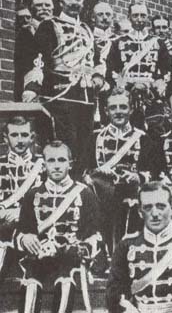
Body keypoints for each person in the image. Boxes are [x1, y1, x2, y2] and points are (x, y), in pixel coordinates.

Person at [22, 0, 102, 174]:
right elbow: (39, 59)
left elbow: (97, 60)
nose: (74, 2)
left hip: (86, 97)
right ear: (61, 1)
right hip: (60, 96)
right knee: (65, 144)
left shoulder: (87, 30)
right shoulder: (49, 26)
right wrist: (32, 88)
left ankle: (79, 182)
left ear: (83, 3)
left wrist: (99, 75)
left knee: (84, 145)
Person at [16, 141, 100, 313]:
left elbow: (95, 235)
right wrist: (25, 238)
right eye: (51, 160)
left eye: (61, 160)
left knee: (66, 281)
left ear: (70, 164)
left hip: (70, 256)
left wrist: (79, 248)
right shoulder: (32, 194)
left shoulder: (85, 194)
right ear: (44, 164)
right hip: (40, 255)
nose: (56, 166)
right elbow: (22, 230)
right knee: (31, 283)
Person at [106, 181, 172, 313]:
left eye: (161, 206)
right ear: (140, 212)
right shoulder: (126, 246)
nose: (155, 213)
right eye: (148, 207)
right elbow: (114, 293)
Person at [90, 88, 162, 250]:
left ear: (131, 109)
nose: (118, 112)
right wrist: (98, 174)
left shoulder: (143, 139)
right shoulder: (95, 138)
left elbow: (155, 172)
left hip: (133, 199)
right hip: (102, 201)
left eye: (123, 107)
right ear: (106, 111)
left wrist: (139, 177)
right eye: (113, 108)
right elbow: (83, 171)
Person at [0, 117, 43, 276]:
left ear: (32, 137)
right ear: (6, 138)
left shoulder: (44, 165)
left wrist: (21, 213)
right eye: (14, 135)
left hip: (35, 228)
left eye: (24, 135)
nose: (19, 140)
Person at [106, 2, 171, 97]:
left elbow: (166, 71)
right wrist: (122, 87)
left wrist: (155, 86)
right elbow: (111, 70)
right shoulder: (118, 42)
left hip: (151, 93)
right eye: (135, 15)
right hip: (125, 93)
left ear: (147, 17)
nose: (139, 19)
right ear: (129, 17)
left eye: (143, 16)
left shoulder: (158, 43)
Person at [14, 0, 55, 101]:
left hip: (52, 86)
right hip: (28, 86)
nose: (44, 8)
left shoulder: (57, 30)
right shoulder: (25, 32)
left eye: (47, 5)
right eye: (39, 5)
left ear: (53, 8)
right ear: (31, 8)